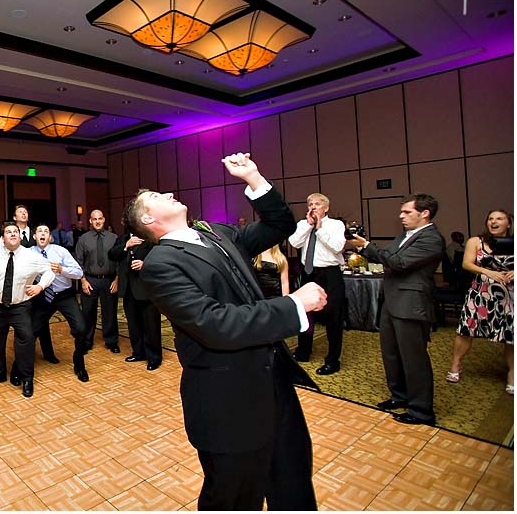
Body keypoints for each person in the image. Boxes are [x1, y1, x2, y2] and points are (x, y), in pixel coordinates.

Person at [124, 152, 326, 511]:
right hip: (228, 402)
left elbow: (279, 225)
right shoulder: (160, 264)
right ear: (148, 219)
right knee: (233, 498)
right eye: (156, 196)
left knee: (293, 486)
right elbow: (216, 324)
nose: (168, 192)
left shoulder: (216, 232)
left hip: (273, 383)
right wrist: (294, 304)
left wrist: (254, 179)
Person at [351, 194, 446, 426]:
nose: (401, 216)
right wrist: (365, 247)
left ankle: (422, 411)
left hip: (411, 304)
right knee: (391, 354)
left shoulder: (432, 239)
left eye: (407, 212)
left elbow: (398, 262)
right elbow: (389, 256)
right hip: (392, 301)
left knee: (414, 359)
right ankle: (400, 396)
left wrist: (366, 246)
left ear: (425, 213)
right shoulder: (404, 236)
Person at [0, 221, 54, 398]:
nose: (13, 234)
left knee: (26, 340)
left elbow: (50, 271)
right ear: (3, 238)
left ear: (20, 236)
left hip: (20, 307)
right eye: (9, 232)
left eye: (16, 231)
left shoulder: (31, 256)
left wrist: (40, 287)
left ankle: (27, 378)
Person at [446, 209, 513, 394]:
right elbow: (467, 263)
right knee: (466, 330)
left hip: (510, 295)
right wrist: (488, 272)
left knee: (511, 335)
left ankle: (512, 374)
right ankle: (456, 365)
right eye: (490, 218)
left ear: (508, 223)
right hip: (481, 293)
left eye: (499, 218)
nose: (494, 222)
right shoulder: (476, 241)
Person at [288, 193, 347, 375]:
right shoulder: (302, 224)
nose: (313, 207)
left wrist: (320, 228)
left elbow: (337, 247)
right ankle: (304, 352)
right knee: (305, 314)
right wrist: (309, 225)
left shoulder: (336, 225)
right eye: (310, 204)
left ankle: (332, 361)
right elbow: (293, 242)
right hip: (308, 273)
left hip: (330, 274)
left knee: (334, 318)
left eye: (317, 204)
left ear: (326, 208)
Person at [27, 224, 88, 381]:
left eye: (46, 231)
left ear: (50, 237)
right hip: (42, 297)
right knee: (30, 332)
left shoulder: (60, 251)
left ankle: (79, 364)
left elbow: (79, 272)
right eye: (39, 231)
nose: (42, 234)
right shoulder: (28, 254)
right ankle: (22, 369)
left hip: (64, 296)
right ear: (34, 237)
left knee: (80, 328)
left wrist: (62, 270)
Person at [109, 226, 161, 370]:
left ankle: (154, 357)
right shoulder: (123, 239)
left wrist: (146, 265)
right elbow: (112, 255)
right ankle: (138, 353)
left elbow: (161, 260)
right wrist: (126, 246)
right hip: (128, 290)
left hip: (146, 289)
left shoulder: (152, 238)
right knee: (134, 324)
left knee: (151, 325)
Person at [74, 209, 120, 353]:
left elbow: (119, 260)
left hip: (109, 280)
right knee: (87, 313)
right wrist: (82, 281)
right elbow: (78, 262)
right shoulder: (83, 239)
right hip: (90, 280)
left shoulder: (114, 238)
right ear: (90, 221)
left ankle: (111, 341)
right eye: (95, 219)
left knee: (110, 312)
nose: (98, 221)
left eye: (100, 218)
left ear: (104, 220)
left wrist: (117, 279)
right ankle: (86, 342)